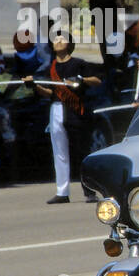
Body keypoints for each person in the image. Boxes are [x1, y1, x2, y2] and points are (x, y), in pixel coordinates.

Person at [23, 30, 102, 204]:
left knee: (81, 151)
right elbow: (49, 92)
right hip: (56, 109)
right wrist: (34, 85)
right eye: (56, 39)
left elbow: (97, 80)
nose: (58, 41)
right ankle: (62, 191)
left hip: (75, 110)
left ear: (70, 44)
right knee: (59, 151)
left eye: (63, 39)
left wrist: (81, 79)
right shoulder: (50, 68)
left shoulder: (79, 63)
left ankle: (89, 191)